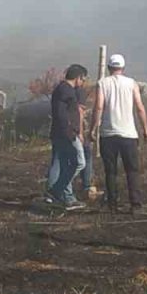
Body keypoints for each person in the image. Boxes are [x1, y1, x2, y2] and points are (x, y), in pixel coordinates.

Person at [92, 53, 147, 213]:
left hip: (108, 134)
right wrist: (145, 129)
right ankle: (136, 205)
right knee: (132, 170)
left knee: (110, 172)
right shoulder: (132, 83)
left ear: (110, 67)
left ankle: (112, 205)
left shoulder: (102, 83)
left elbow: (98, 107)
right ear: (123, 68)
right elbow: (139, 107)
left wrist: (93, 128)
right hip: (128, 135)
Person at [47, 64, 89, 210]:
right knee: (80, 162)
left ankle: (68, 198)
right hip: (68, 134)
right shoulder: (66, 91)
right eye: (83, 79)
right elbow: (63, 115)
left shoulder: (63, 89)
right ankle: (57, 189)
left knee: (65, 164)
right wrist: (73, 132)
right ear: (78, 77)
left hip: (62, 133)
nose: (83, 82)